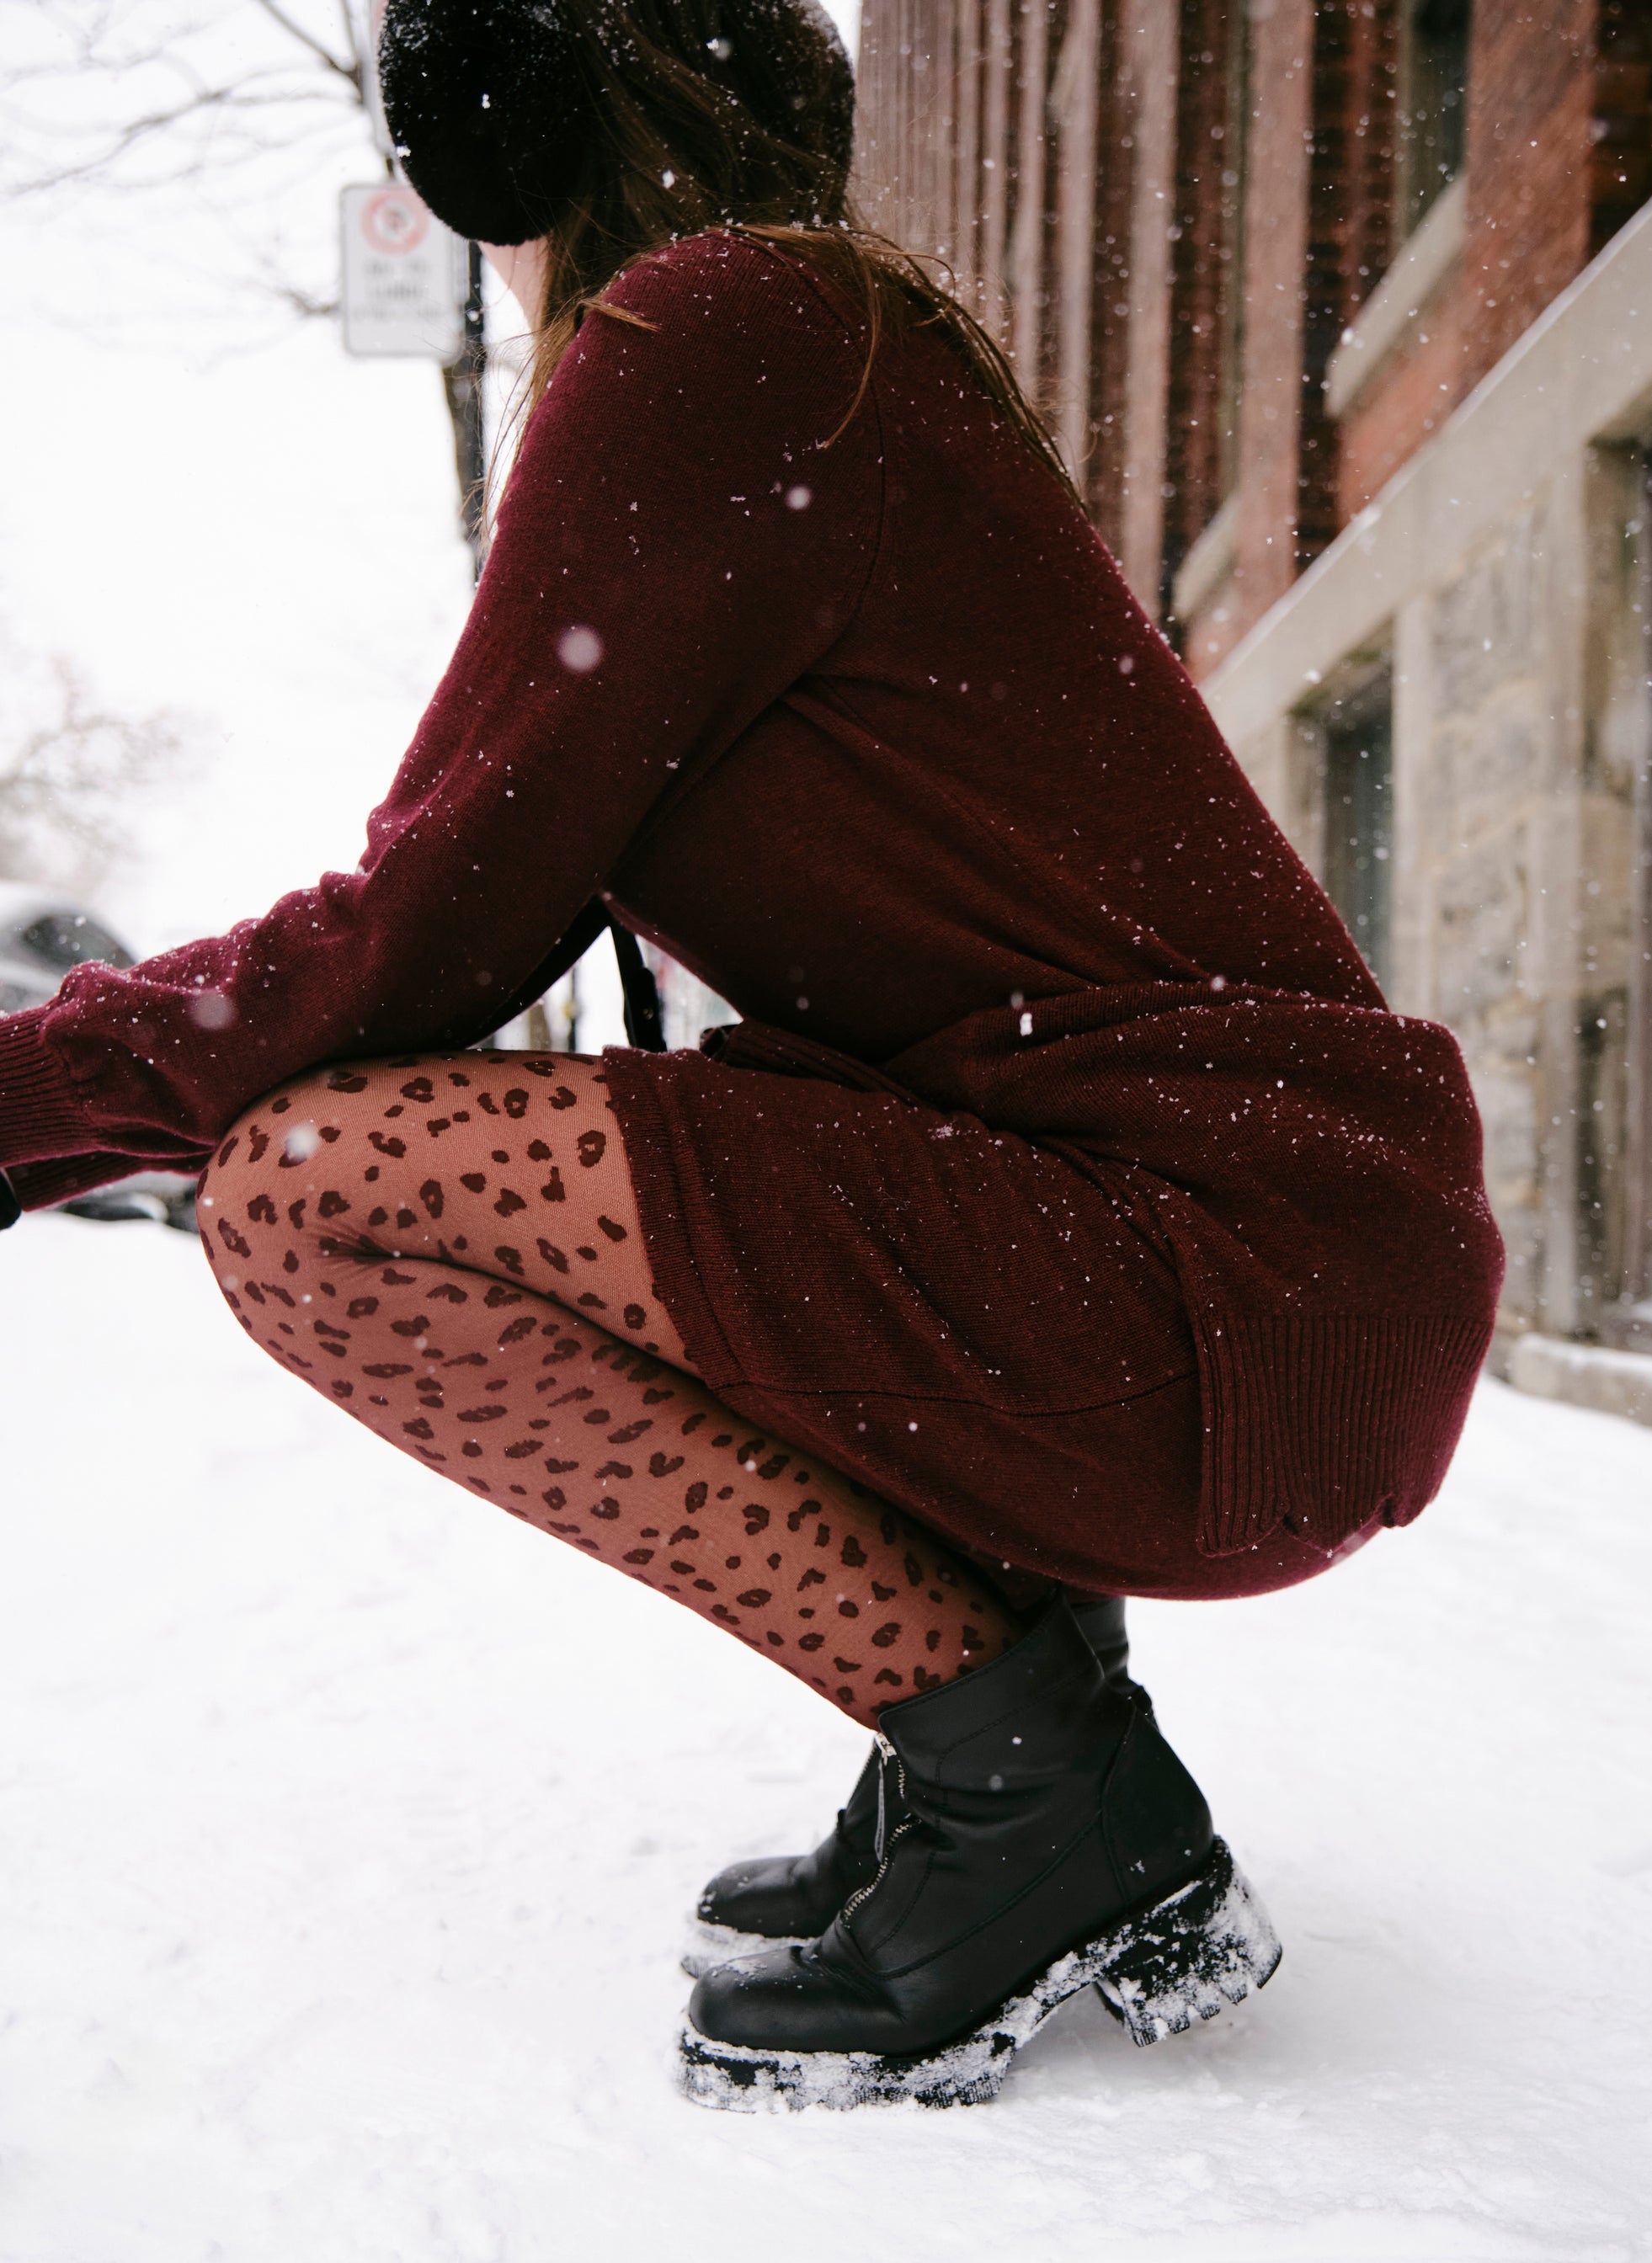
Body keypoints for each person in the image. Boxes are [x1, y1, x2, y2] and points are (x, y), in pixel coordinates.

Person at [0, 0, 1502, 2111]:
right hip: (1268, 1287)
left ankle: (1039, 1795)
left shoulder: (709, 340)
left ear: (503, 150)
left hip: (1222, 1289)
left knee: (312, 1200)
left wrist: (34, 1095)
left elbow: (425, 930)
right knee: (733, 1137)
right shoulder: (806, 342)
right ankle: (1020, 1740)